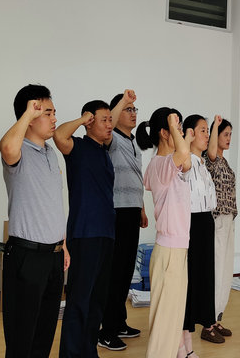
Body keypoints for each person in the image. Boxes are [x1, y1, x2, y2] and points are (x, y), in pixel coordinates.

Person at [0, 84, 70, 358]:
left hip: (53, 257)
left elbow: (52, 205)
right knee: (21, 339)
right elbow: (6, 146)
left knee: (44, 335)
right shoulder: (17, 152)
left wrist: (63, 245)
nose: (54, 118)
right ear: (30, 115)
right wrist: (28, 113)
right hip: (26, 257)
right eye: (47, 113)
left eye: (54, 112)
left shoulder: (51, 153)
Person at [55, 99, 116, 358]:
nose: (109, 124)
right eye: (104, 120)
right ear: (89, 122)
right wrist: (82, 120)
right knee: (79, 299)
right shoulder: (77, 147)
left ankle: (88, 351)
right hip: (84, 233)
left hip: (107, 232)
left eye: (110, 119)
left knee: (97, 300)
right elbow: (59, 135)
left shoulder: (104, 151)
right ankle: (70, 353)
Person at [136, 108, 194, 358]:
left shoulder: (171, 164)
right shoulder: (160, 164)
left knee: (173, 320)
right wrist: (172, 125)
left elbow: (187, 160)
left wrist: (175, 129)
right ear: (164, 132)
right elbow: (184, 153)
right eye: (176, 127)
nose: (180, 131)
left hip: (177, 249)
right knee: (164, 325)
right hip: (169, 251)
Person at [98, 91, 149, 351]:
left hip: (132, 210)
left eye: (134, 109)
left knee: (126, 270)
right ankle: (106, 331)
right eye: (128, 109)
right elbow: (109, 123)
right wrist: (122, 102)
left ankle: (119, 323)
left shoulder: (134, 143)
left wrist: (141, 208)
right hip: (116, 211)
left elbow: (136, 178)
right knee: (115, 272)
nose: (133, 113)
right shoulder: (112, 140)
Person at [181, 114, 221, 356]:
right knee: (190, 283)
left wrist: (215, 126)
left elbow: (213, 150)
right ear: (190, 133)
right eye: (203, 130)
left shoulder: (203, 164)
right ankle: (182, 344)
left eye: (208, 130)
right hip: (191, 224)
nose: (207, 135)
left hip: (206, 222)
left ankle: (192, 339)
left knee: (203, 281)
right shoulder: (184, 162)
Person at [205, 115, 236, 337]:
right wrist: (215, 126)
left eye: (230, 134)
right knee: (216, 271)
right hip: (217, 220)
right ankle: (208, 322)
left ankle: (217, 318)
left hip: (229, 219)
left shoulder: (225, 162)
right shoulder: (211, 160)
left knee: (226, 272)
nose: (229, 138)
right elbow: (212, 152)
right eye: (226, 134)